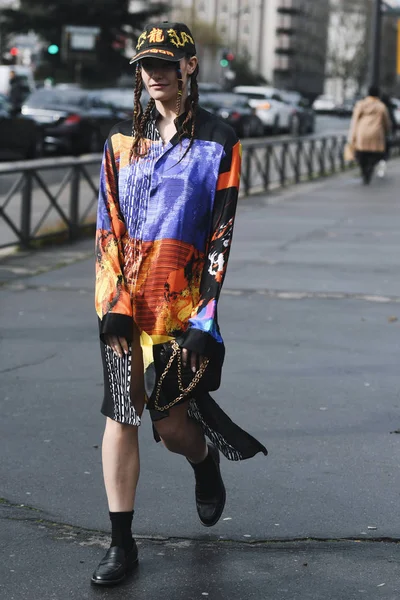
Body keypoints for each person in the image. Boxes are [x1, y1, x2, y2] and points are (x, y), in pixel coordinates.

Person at [92, 21, 267, 587]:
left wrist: (205, 320)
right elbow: (107, 228)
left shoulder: (220, 139)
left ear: (190, 66)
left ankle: (204, 462)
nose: (155, 73)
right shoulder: (120, 140)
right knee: (122, 414)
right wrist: (113, 303)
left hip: (183, 309)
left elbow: (222, 235)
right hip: (125, 307)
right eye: (146, 65)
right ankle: (122, 544)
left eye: (166, 63)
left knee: (171, 429)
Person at [348, 85, 391, 185]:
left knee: (361, 155)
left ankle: (364, 171)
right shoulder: (381, 106)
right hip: (376, 134)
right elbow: (386, 122)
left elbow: (355, 121)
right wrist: (387, 132)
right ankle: (369, 169)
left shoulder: (361, 104)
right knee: (374, 155)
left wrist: (353, 136)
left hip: (362, 133)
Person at [377, 93, 396, 178]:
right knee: (385, 151)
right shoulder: (388, 109)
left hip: (375, 134)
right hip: (384, 134)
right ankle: (381, 166)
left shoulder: (378, 107)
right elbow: (392, 122)